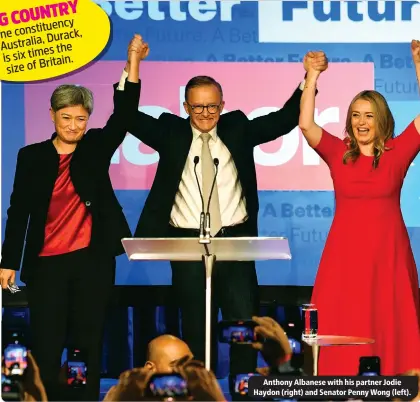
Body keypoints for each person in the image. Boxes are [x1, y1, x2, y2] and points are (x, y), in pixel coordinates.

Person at [116, 35, 328, 374]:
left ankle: (243, 389)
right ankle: (200, 391)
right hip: (186, 245)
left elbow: (285, 118)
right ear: (186, 107)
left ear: (222, 104)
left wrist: (310, 78)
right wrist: (134, 64)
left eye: (212, 107)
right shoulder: (170, 133)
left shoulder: (238, 128)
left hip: (234, 244)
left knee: (242, 327)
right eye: (198, 107)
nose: (205, 114)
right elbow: (126, 116)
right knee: (195, 327)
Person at [0, 35, 145, 400]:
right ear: (52, 115)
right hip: (45, 264)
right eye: (66, 117)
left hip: (91, 261)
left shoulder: (95, 146)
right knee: (47, 346)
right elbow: (17, 210)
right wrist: (8, 262)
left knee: (86, 345)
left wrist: (133, 63)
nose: (73, 125)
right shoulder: (31, 156)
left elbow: (124, 114)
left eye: (81, 119)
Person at [298, 41, 420, 375]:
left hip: (388, 256)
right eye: (355, 115)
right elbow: (307, 125)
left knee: (388, 318)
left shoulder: (398, 152)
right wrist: (312, 75)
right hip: (344, 256)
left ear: (382, 121)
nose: (361, 122)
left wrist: (419, 66)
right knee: (344, 318)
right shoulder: (339, 153)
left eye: (369, 116)